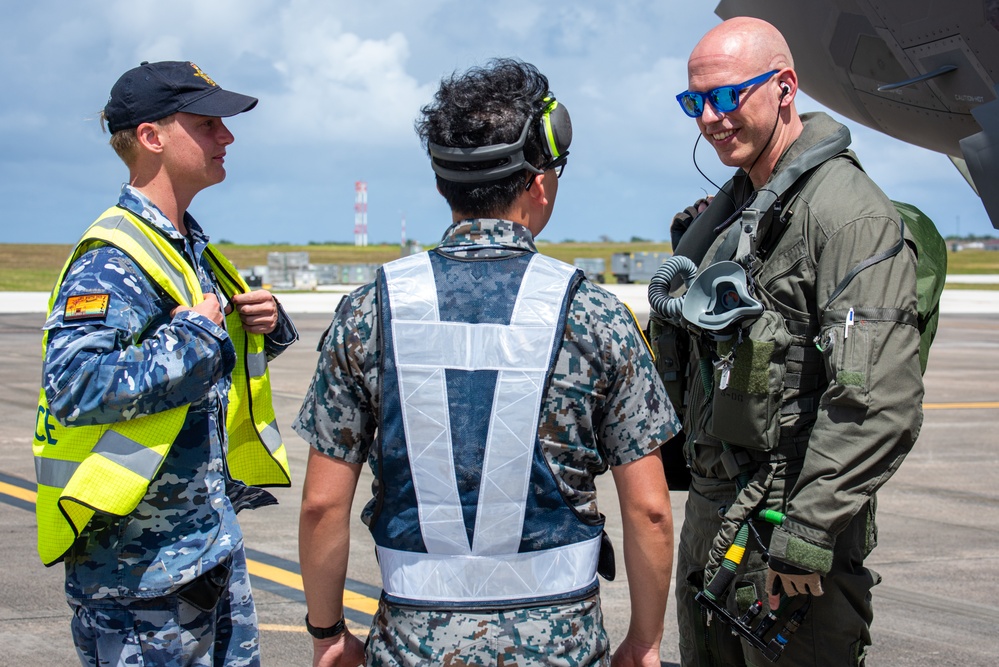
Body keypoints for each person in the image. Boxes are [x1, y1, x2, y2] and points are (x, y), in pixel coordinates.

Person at [295, 57, 680, 667]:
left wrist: (327, 634)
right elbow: (651, 510)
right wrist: (645, 643)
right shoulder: (595, 313)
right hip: (562, 643)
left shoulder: (371, 308)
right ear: (539, 183)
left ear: (446, 184)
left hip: (412, 642)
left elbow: (321, 504)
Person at [659, 17, 924, 666]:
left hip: (791, 527)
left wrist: (806, 531)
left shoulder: (847, 214)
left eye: (726, 96)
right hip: (714, 515)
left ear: (783, 87)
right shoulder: (727, 220)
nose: (709, 118)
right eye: (695, 102)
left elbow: (875, 399)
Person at [32, 60, 298, 666]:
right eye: (207, 124)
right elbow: (77, 385)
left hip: (201, 549)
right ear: (152, 137)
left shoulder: (184, 243)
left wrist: (260, 325)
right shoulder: (111, 259)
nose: (225, 137)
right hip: (139, 578)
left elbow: (200, 370)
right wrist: (197, 339)